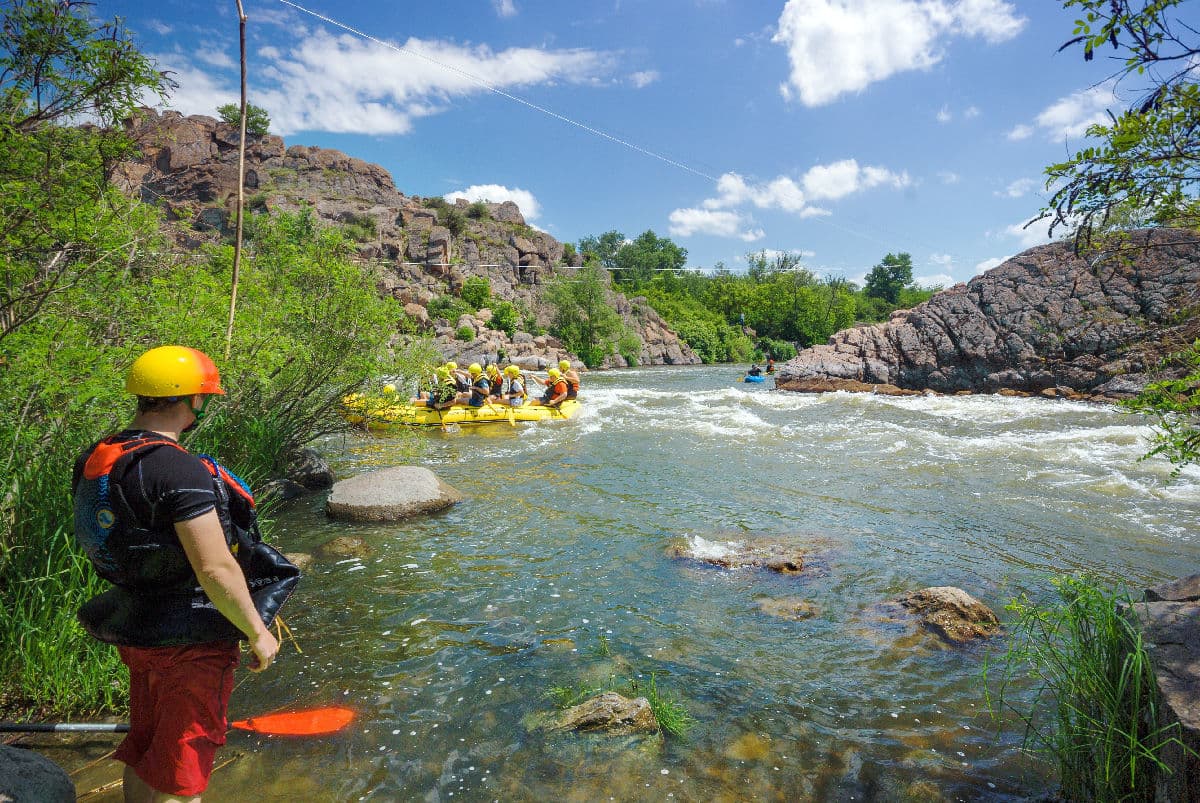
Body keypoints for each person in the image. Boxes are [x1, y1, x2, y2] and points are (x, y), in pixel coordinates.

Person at [72, 346, 280, 803]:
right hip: (189, 637)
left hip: (136, 624)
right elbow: (214, 566)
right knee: (183, 769)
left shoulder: (103, 453)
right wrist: (257, 630)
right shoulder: (176, 467)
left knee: (146, 746)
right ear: (193, 401)